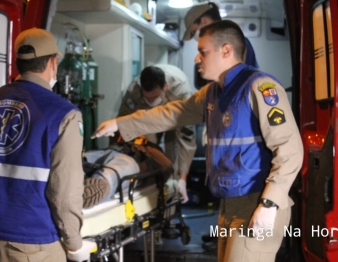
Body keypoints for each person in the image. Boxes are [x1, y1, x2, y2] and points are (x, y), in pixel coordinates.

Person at [93, 20, 303, 262]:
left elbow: (290, 150)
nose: (196, 59)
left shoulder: (260, 87)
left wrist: (270, 203)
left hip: (257, 201)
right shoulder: (213, 92)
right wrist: (122, 123)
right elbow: (172, 113)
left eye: (202, 52)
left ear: (226, 51)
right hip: (229, 205)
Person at [0, 28, 97, 262]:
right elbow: (64, 191)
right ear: (53, 64)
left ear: (17, 63)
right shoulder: (64, 114)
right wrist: (75, 244)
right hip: (31, 243)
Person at [182, 2, 259, 252]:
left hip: (239, 145)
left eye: (196, 33)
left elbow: (235, 91)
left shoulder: (237, 50)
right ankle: (221, 235)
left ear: (204, 22)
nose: (198, 57)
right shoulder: (232, 48)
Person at [116, 64, 197, 203]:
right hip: (147, 115)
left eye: (154, 97)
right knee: (147, 148)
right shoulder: (134, 91)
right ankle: (149, 192)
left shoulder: (180, 91)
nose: (151, 101)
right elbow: (123, 125)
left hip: (173, 111)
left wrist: (182, 179)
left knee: (172, 153)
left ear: (164, 87)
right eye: (147, 98)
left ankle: (172, 195)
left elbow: (186, 137)